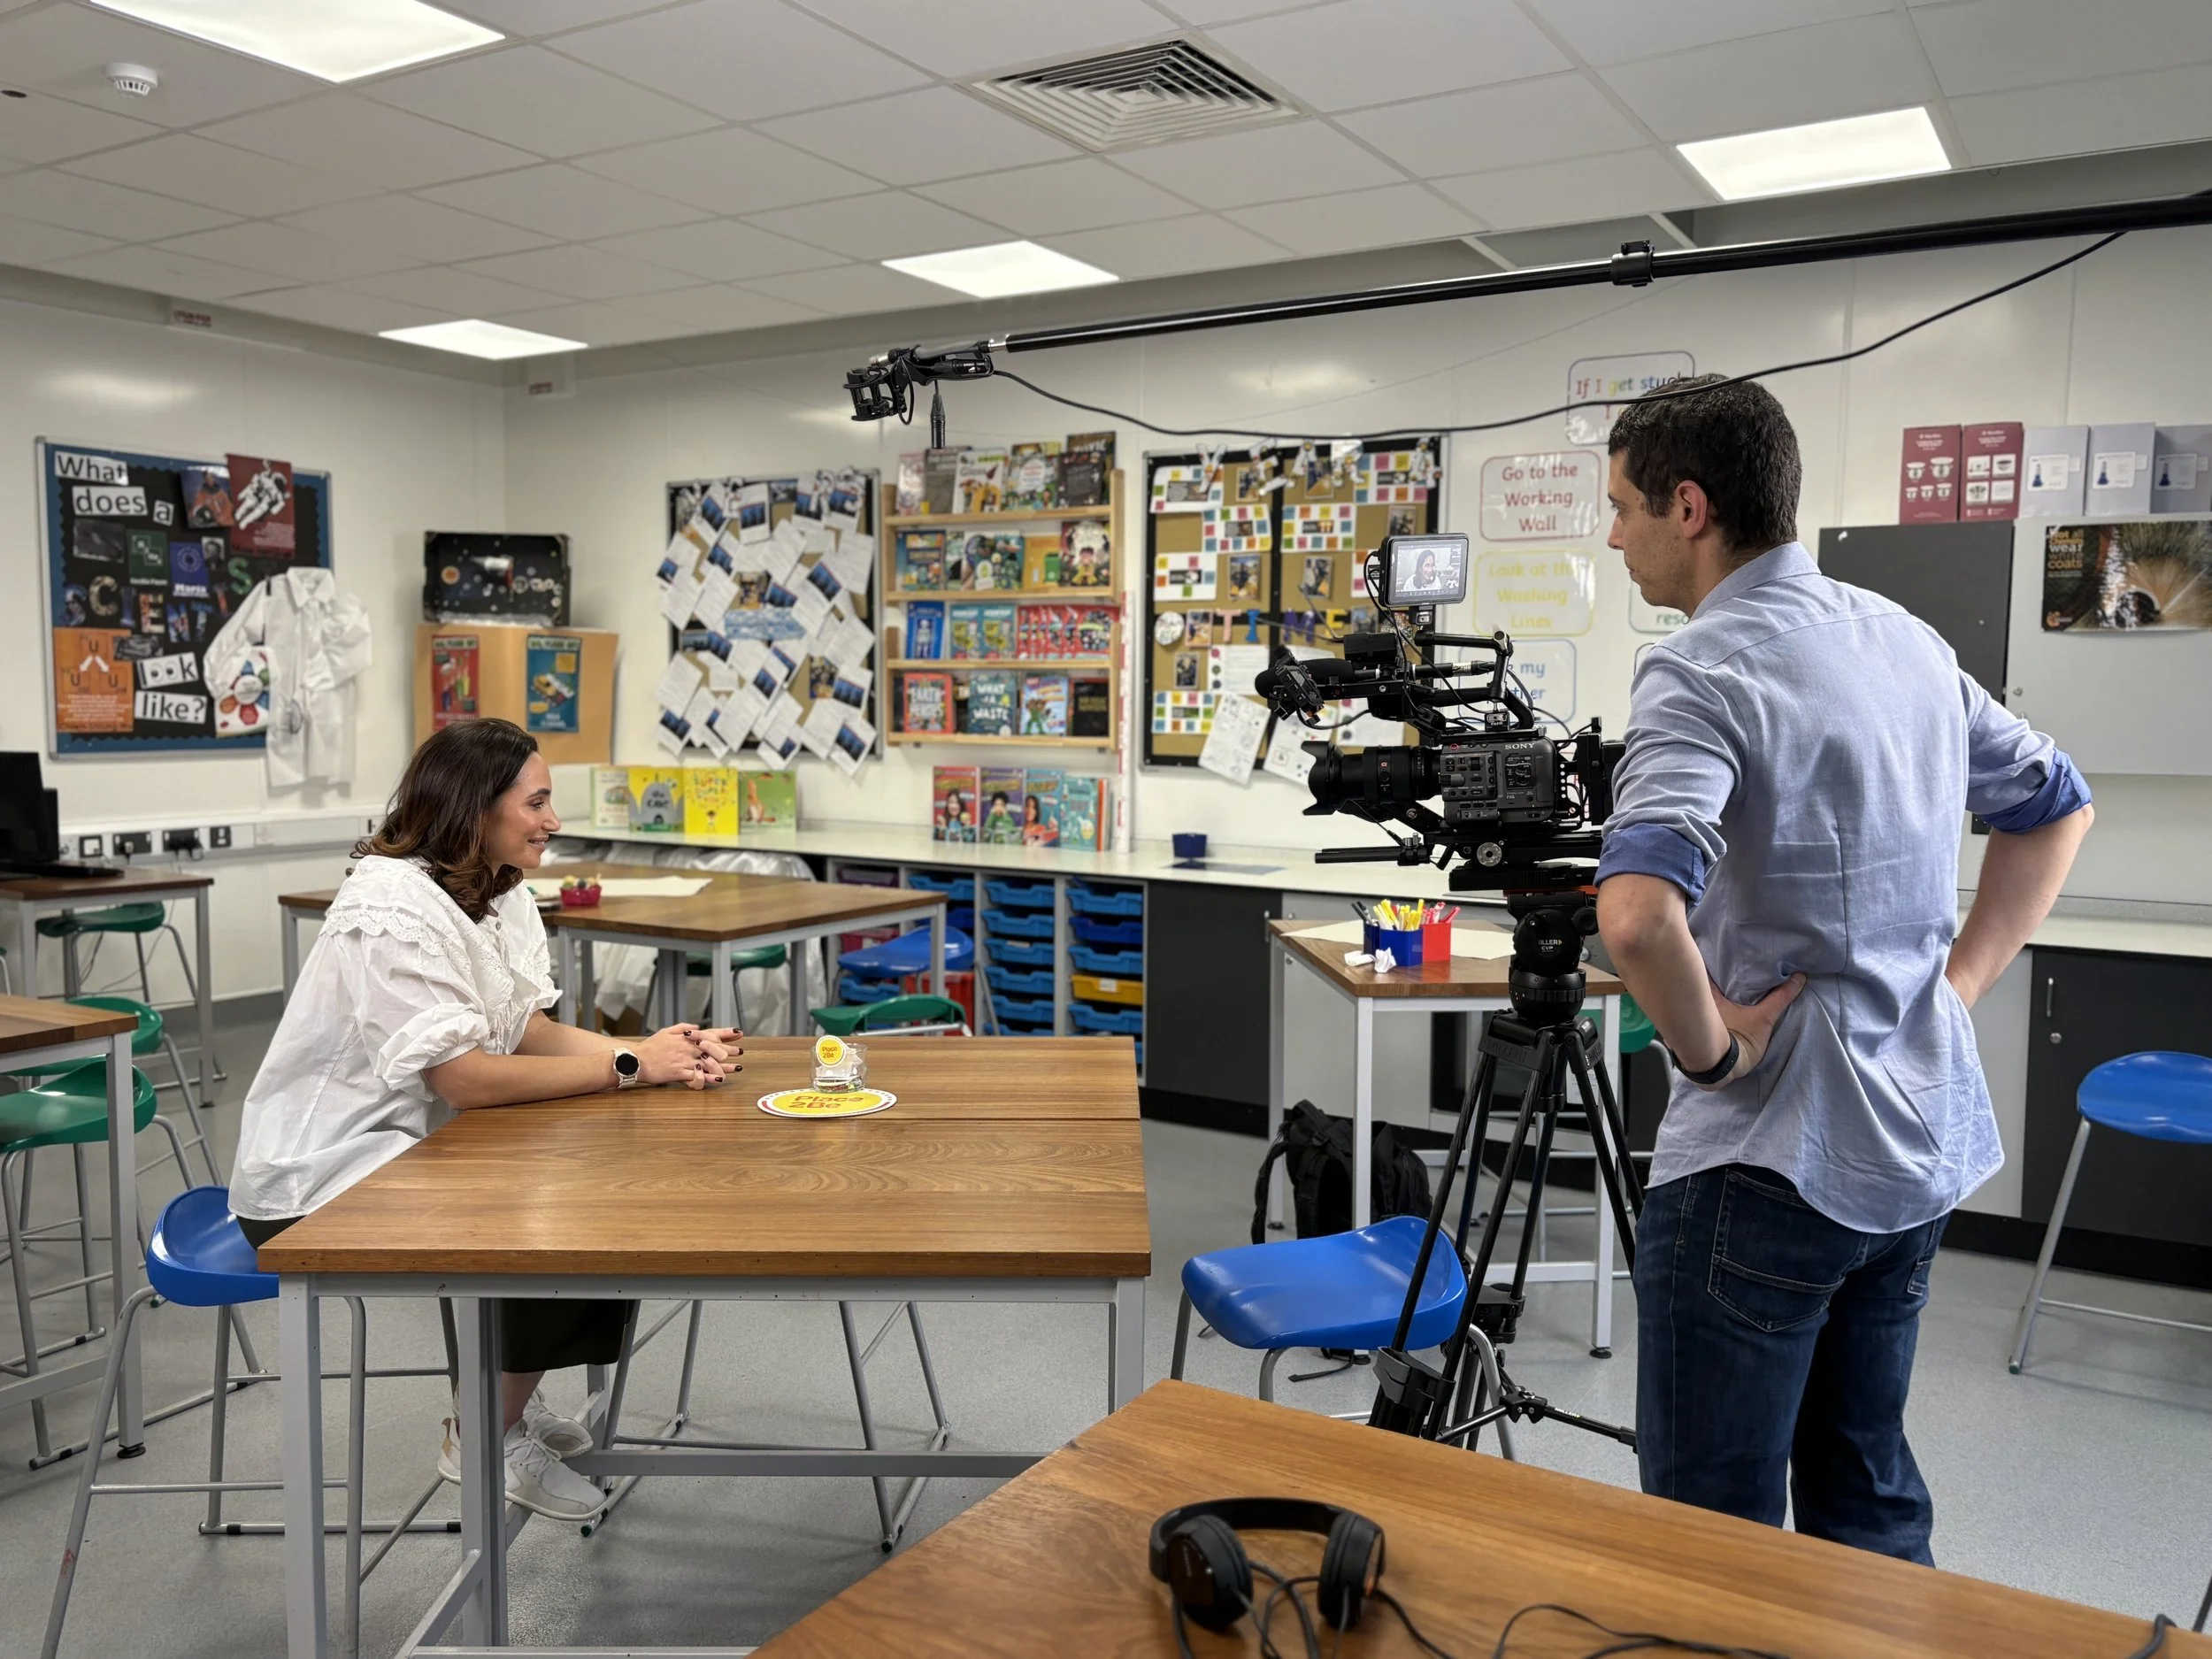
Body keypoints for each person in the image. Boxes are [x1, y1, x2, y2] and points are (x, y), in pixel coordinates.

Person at [1594, 376, 2092, 1564]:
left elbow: (1635, 917)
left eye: (1621, 507)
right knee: (1866, 1501)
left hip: (1764, 1161)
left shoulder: (1703, 668)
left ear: (1691, 505)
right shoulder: (1905, 641)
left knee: (1711, 1538)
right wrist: (1957, 989)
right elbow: (2057, 803)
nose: (1613, 537)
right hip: (1910, 1144)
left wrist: (1712, 1048)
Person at [229, 719, 742, 1521]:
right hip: (312, 1181)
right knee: (541, 1217)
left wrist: (646, 1051)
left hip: (399, 1149)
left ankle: (504, 1399)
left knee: (592, 1184)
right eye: (536, 802)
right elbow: (464, 1077)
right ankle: (483, 1432)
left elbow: (522, 1029)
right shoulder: (391, 901)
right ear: (475, 809)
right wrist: (629, 1066)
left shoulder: (494, 886)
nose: (553, 819)